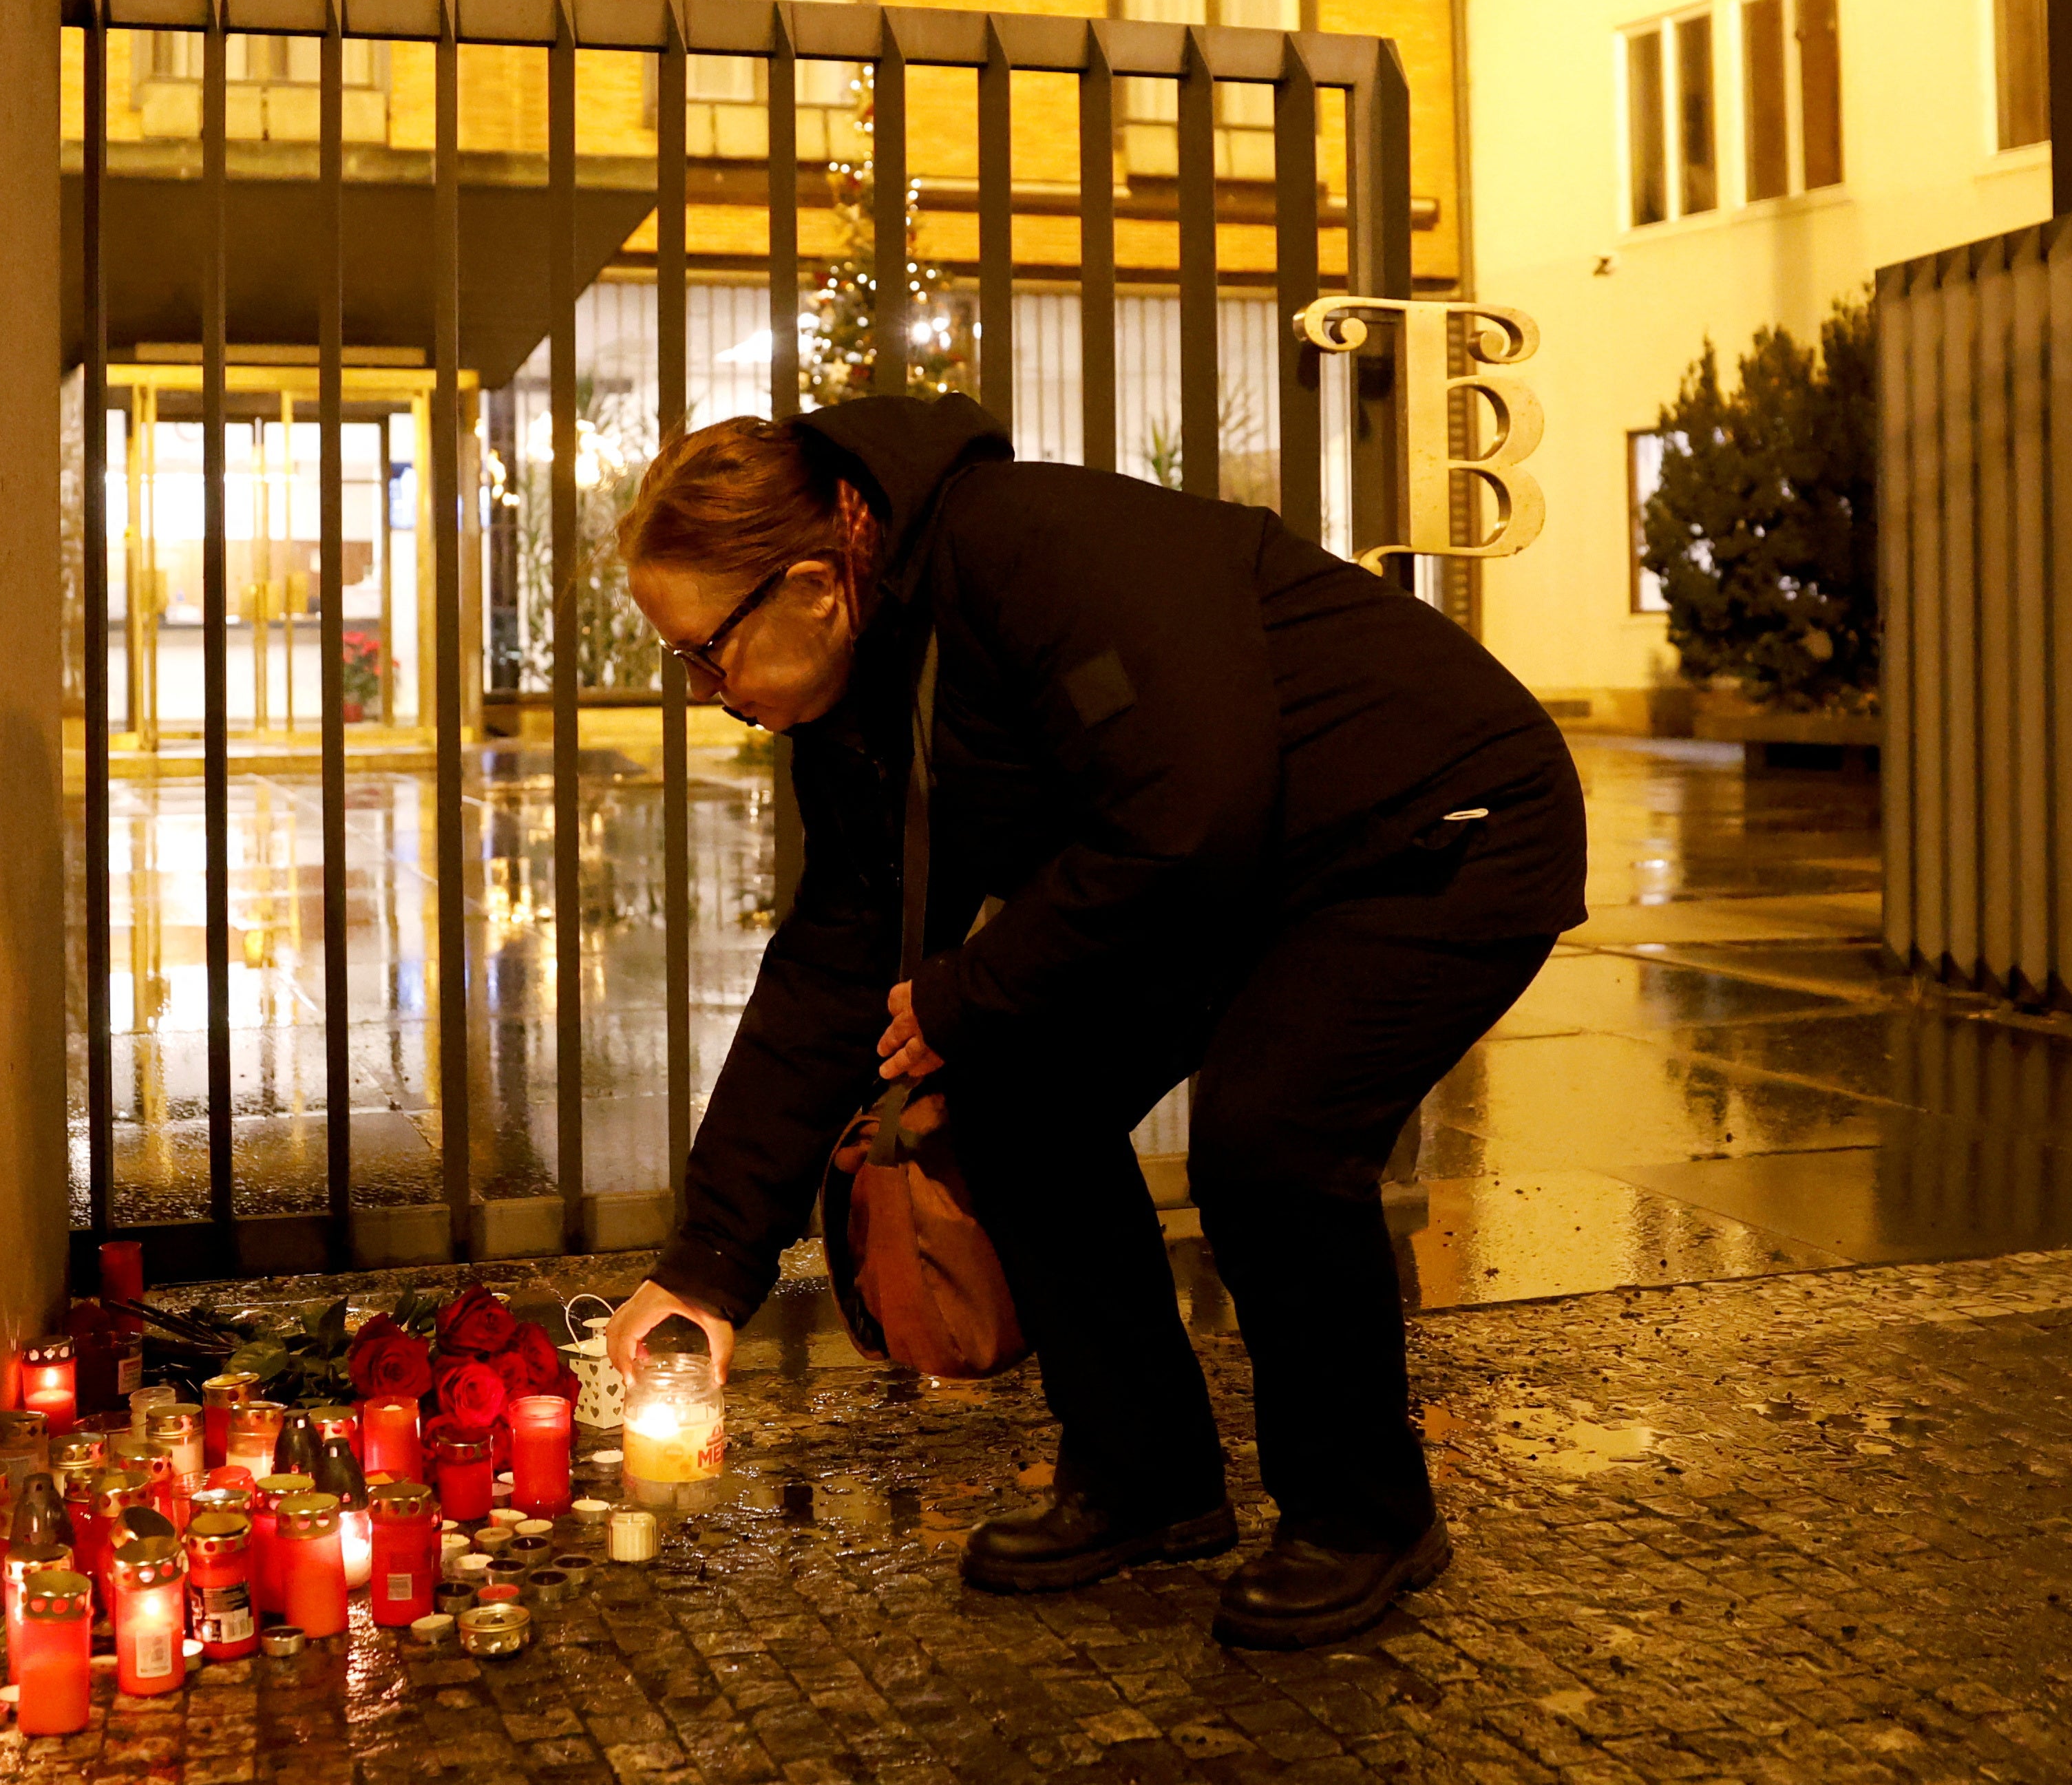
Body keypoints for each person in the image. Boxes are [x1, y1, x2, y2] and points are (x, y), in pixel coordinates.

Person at [600, 394, 1584, 1650]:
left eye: (705, 651)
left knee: (1272, 1136)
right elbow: (836, 956)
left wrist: (969, 988)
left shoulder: (1028, 545)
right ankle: (1147, 1477)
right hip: (1233, 862)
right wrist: (710, 1266)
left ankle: (1363, 1514)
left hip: (1436, 828)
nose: (701, 687)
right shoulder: (862, 688)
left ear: (812, 585)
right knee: (1014, 1090)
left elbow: (1189, 813)